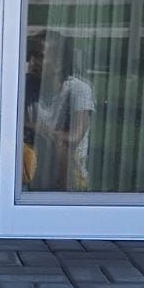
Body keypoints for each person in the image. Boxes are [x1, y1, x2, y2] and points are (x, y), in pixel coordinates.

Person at [23, 31, 94, 192]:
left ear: (59, 62)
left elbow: (74, 137)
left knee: (60, 146)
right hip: (33, 164)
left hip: (70, 169)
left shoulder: (78, 90)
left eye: (39, 56)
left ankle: (61, 200)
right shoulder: (25, 85)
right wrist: (38, 129)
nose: (31, 61)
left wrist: (37, 129)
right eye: (30, 55)